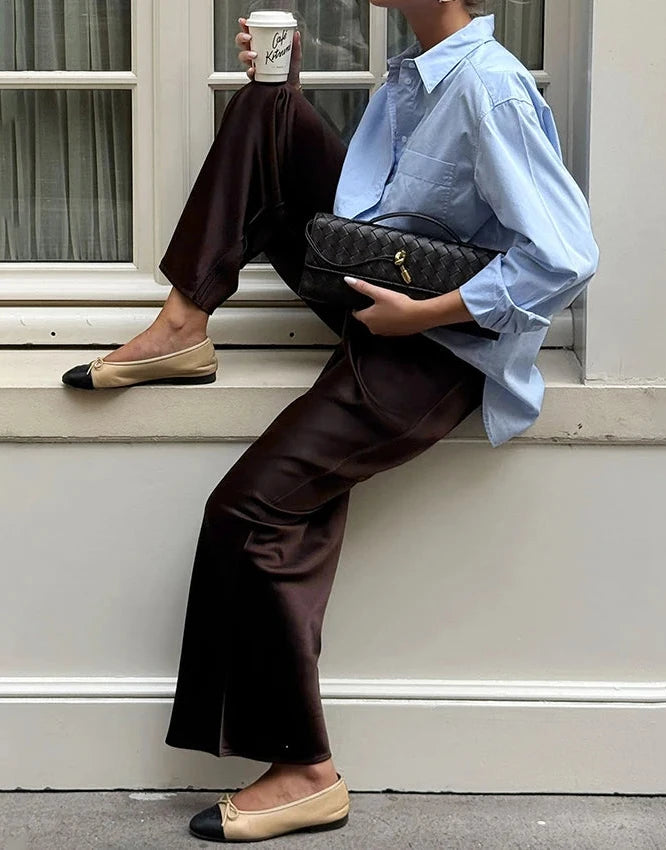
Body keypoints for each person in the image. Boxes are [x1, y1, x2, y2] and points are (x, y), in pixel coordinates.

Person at [62, 0, 600, 843]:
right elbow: (371, 202)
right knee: (264, 105)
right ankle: (182, 326)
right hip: (374, 281)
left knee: (249, 510)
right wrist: (287, 83)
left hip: (435, 350)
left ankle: (308, 772)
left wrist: (423, 319)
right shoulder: (416, 70)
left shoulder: (489, 90)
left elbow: (566, 257)